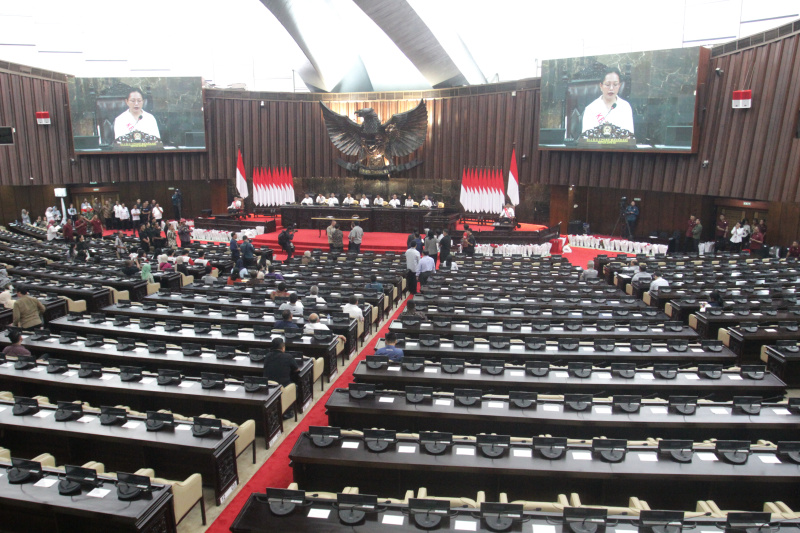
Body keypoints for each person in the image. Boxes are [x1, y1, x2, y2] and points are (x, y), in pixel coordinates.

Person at [581, 67, 635, 134]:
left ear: (619, 86)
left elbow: (629, 136)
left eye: (615, 84)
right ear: (601, 86)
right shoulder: (591, 109)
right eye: (607, 84)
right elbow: (586, 137)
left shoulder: (625, 107)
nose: (611, 88)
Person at [261, 337, 300, 420]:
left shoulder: (267, 356)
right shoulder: (288, 357)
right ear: (283, 347)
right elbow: (297, 370)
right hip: (283, 386)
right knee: (296, 385)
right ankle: (288, 411)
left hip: (268, 385)